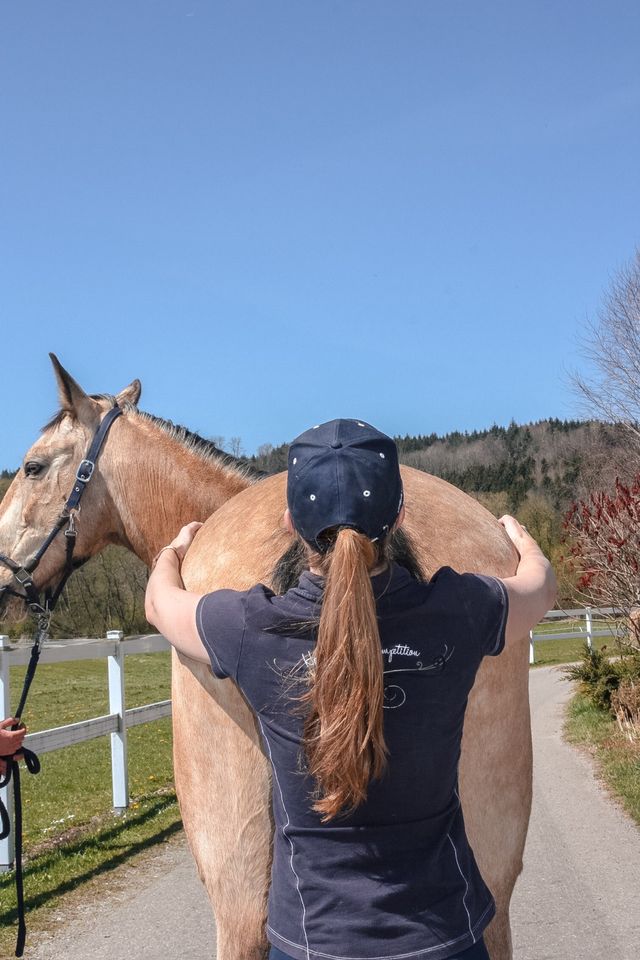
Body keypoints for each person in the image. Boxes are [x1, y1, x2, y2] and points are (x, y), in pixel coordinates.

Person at [145, 418, 556, 960]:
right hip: (447, 936)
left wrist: (171, 554)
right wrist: (527, 547)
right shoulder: (460, 612)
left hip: (312, 942)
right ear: (401, 515)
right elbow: (540, 588)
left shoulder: (249, 631)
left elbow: (159, 604)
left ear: (290, 521)